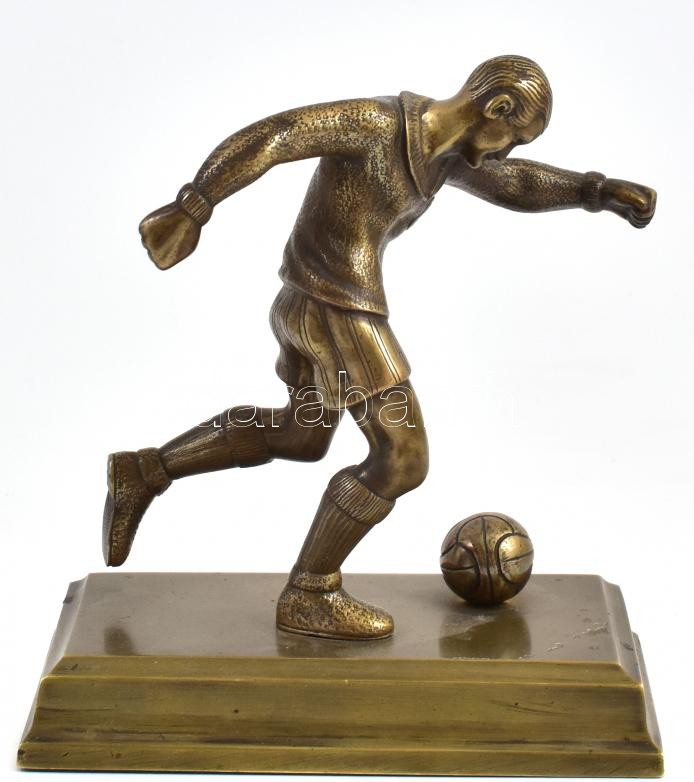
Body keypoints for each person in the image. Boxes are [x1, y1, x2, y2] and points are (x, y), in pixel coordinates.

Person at [102, 55, 656, 640]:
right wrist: (193, 206)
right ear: (496, 108)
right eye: (513, 137)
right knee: (402, 456)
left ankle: (146, 470)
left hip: (308, 306)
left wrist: (596, 192)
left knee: (301, 433)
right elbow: (276, 136)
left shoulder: (445, 156)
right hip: (338, 312)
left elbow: (515, 183)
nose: (506, 153)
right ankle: (311, 591)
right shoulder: (376, 124)